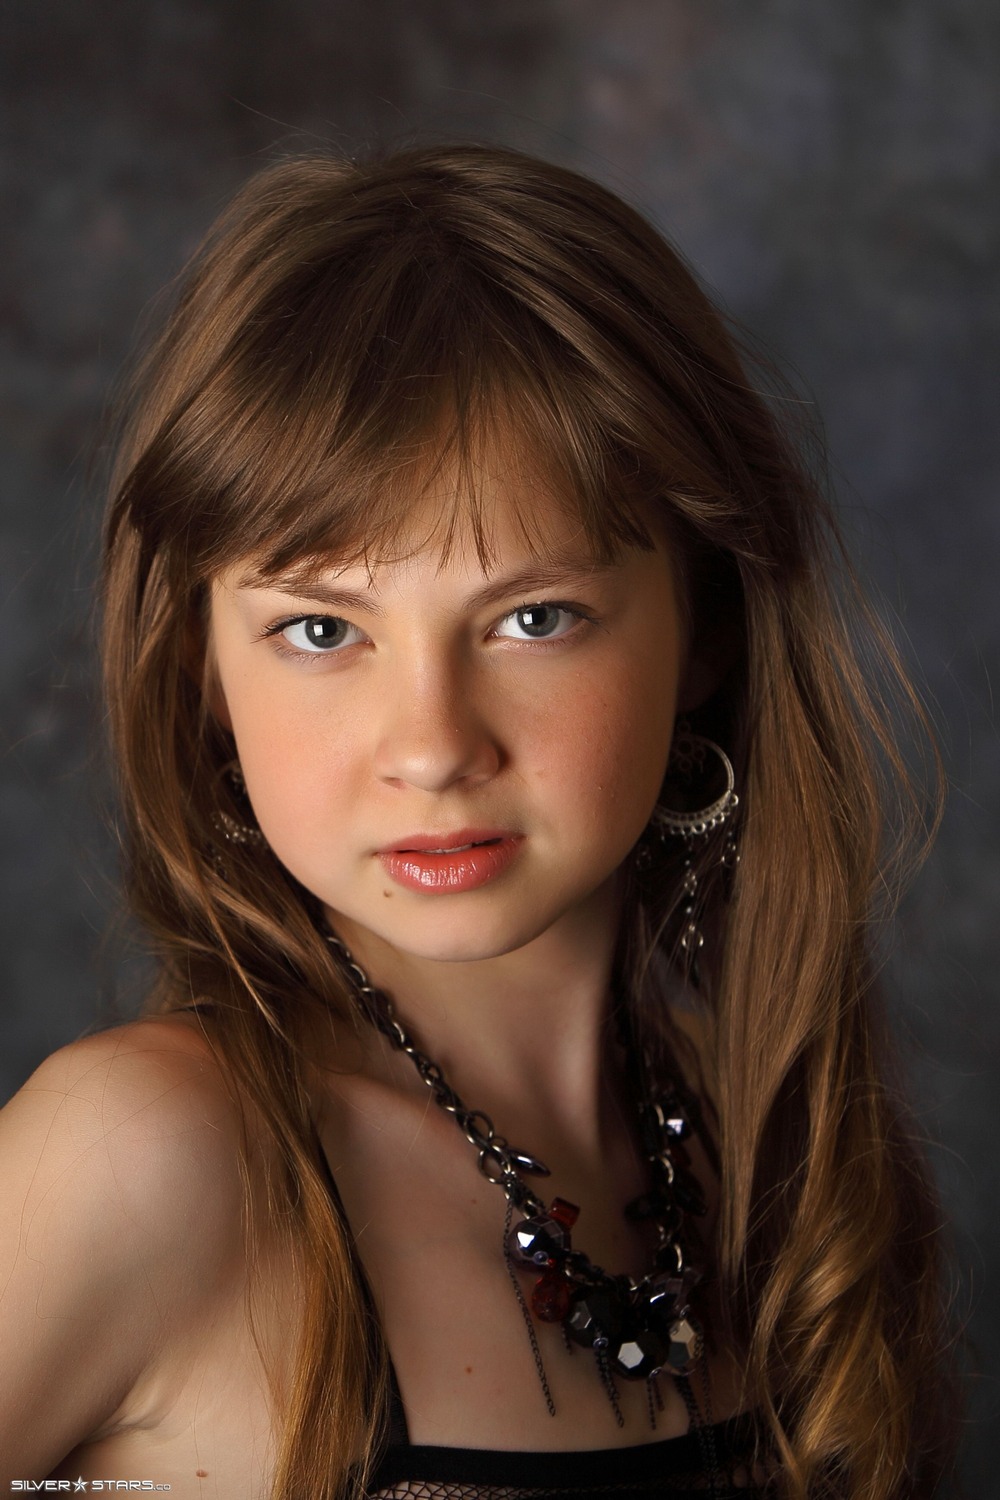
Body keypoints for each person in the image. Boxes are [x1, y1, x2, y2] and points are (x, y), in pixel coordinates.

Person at [0, 145, 958, 1500]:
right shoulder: (146, 1158)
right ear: (202, 668)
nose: (434, 747)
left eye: (533, 618)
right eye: (321, 630)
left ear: (705, 629)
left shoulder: (780, 1142)